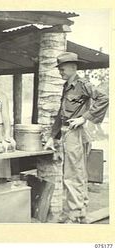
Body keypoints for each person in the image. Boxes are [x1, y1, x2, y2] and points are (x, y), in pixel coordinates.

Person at [44, 52, 109, 223]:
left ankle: (74, 215)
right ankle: (77, 212)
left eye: (62, 68)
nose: (60, 72)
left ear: (73, 67)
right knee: (74, 174)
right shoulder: (67, 86)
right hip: (68, 133)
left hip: (77, 133)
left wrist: (84, 118)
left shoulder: (82, 85)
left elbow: (104, 98)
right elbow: (61, 113)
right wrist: (52, 136)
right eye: (59, 69)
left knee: (74, 176)